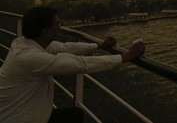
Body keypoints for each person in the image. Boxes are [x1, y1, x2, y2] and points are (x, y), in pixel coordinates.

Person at [0, 6, 145, 123]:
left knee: (74, 115)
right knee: (75, 115)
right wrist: (125, 57)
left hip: (22, 111)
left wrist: (98, 46)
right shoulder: (30, 57)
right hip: (17, 118)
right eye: (58, 24)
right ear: (45, 31)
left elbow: (66, 47)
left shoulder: (24, 42)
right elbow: (81, 64)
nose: (60, 27)